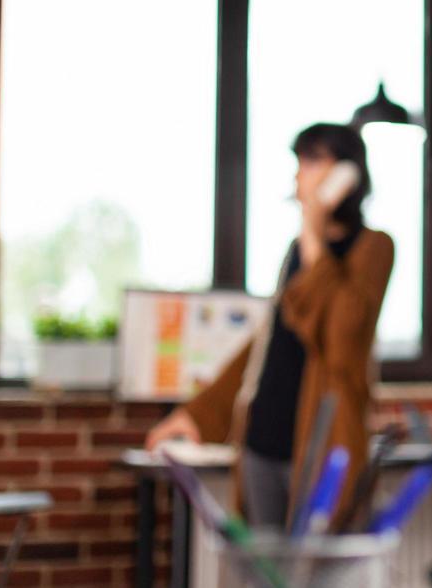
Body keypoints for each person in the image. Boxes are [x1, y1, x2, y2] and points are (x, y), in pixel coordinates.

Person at [145, 123, 394, 531]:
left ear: (347, 174)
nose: (300, 174)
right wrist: (196, 414)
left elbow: (342, 340)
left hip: (323, 447)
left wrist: (314, 233)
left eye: (314, 160)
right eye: (299, 162)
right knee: (266, 576)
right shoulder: (295, 252)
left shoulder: (375, 247)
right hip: (262, 444)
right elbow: (269, 343)